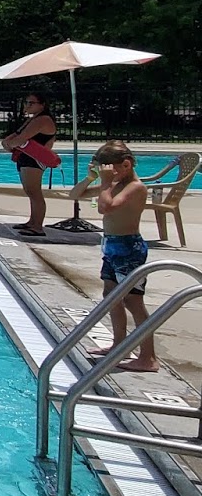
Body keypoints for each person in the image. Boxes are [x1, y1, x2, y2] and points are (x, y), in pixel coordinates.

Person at [82, 141, 159, 371]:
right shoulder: (114, 184)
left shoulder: (135, 187)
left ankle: (149, 357)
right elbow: (75, 194)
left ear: (126, 165)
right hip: (111, 246)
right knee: (111, 296)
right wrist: (90, 178)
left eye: (110, 169)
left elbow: (107, 208)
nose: (108, 174)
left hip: (128, 248)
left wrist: (105, 183)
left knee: (133, 301)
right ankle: (119, 344)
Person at [0, 90, 57, 238]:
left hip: (35, 159)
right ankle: (32, 221)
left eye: (32, 103)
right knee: (30, 191)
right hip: (26, 157)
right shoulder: (33, 119)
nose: (27, 105)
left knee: (34, 191)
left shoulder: (43, 120)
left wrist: (9, 144)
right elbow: (17, 134)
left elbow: (22, 138)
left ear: (42, 105)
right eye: (26, 102)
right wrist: (7, 142)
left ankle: (38, 227)